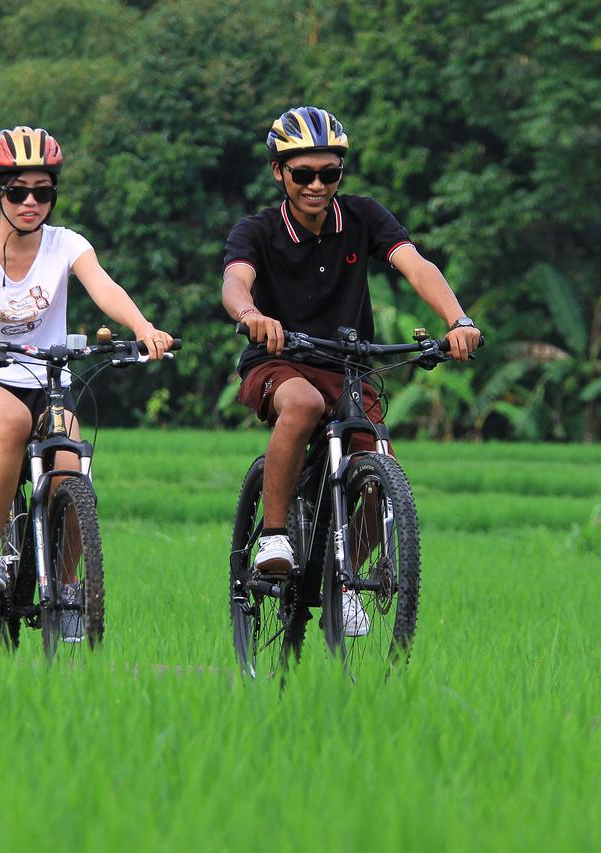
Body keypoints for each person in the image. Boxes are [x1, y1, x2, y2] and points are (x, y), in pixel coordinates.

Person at [221, 106, 482, 636]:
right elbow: (235, 282)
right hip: (278, 360)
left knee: (377, 466)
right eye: (303, 174)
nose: (317, 185)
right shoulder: (258, 230)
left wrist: (457, 319)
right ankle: (274, 535)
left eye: (329, 174)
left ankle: (344, 582)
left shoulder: (363, 216)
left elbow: (415, 264)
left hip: (347, 365)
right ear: (279, 173)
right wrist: (251, 316)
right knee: (303, 404)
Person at [0, 125, 173, 639]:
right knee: (11, 421)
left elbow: (103, 287)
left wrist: (143, 329)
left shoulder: (67, 245)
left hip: (45, 377)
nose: (30, 202)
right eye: (17, 192)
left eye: (42, 192)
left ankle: (66, 587)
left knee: (70, 460)